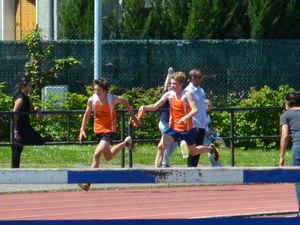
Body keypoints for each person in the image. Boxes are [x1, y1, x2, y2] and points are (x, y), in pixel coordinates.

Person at [138, 72, 219, 168]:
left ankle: (210, 149)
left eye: (174, 84)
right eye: (171, 83)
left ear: (181, 84)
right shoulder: (169, 95)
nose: (172, 86)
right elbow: (155, 106)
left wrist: (185, 118)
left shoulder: (187, 95)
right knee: (160, 147)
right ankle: (157, 174)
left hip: (187, 129)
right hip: (173, 129)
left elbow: (195, 110)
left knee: (193, 152)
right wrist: (144, 107)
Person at [78, 78, 139, 191]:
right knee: (109, 156)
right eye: (95, 90)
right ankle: (126, 142)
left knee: (97, 154)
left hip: (109, 130)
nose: (96, 92)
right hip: (98, 131)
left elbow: (125, 102)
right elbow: (87, 114)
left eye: (99, 90)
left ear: (105, 90)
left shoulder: (112, 99)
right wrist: (82, 129)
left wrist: (133, 117)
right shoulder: (92, 100)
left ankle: (87, 182)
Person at [11, 76, 44, 168]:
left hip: (26, 126)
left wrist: (37, 109)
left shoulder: (27, 98)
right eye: (30, 85)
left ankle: (15, 170)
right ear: (24, 87)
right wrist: (15, 131)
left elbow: (31, 108)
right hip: (19, 128)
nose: (32, 87)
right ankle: (14, 171)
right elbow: (14, 114)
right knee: (17, 149)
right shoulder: (20, 99)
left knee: (39, 141)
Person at [279, 91, 300, 216]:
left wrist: (281, 157)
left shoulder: (286, 114)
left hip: (298, 146)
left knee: (298, 179)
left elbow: (285, 136)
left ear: (287, 102)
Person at [185, 69, 206, 167]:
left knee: (198, 150)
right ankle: (190, 170)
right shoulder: (188, 91)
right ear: (192, 78)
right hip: (194, 124)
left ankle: (194, 169)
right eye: (199, 77)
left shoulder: (201, 90)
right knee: (194, 149)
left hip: (202, 124)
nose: (201, 79)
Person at [160, 67, 178, 168]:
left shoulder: (177, 95)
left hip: (173, 123)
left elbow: (176, 80)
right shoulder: (166, 95)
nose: (171, 86)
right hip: (164, 122)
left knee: (174, 144)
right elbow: (166, 86)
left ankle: (164, 158)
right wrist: (169, 73)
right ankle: (164, 163)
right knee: (167, 143)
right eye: (170, 85)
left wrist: (172, 73)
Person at [203, 99, 221, 167]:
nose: (210, 108)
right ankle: (214, 163)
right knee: (209, 149)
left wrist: (213, 132)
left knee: (210, 149)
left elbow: (207, 126)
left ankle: (214, 163)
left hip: (207, 135)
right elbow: (200, 125)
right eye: (208, 106)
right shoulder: (200, 115)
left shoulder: (208, 116)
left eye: (210, 106)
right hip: (202, 134)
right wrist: (205, 132)